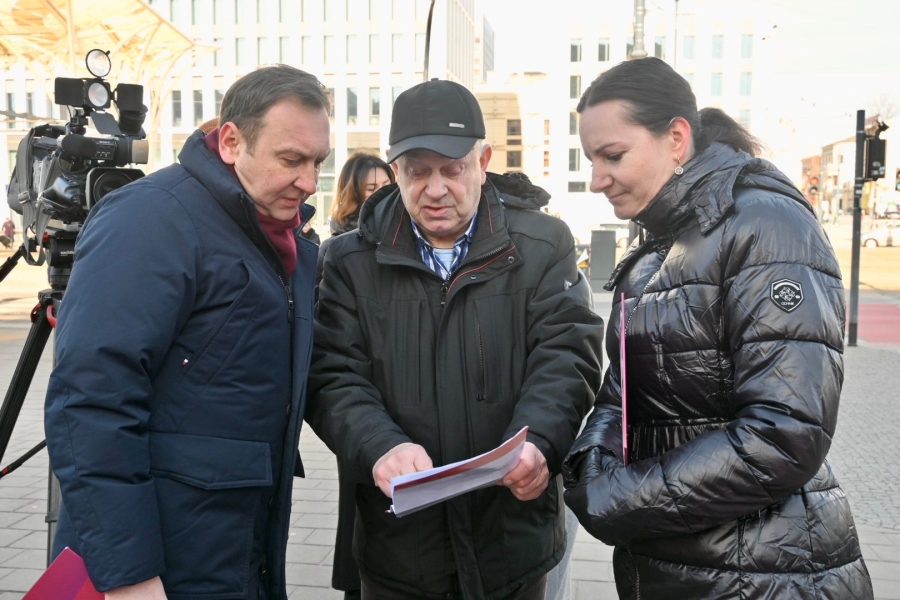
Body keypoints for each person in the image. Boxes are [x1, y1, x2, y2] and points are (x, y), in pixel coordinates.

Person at [562, 57, 873, 599]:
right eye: (591, 160)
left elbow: (786, 433)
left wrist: (620, 499)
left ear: (676, 138)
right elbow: (622, 394)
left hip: (765, 575)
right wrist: (590, 466)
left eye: (613, 156)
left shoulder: (766, 225)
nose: (596, 180)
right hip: (673, 566)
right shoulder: (656, 247)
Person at [307, 79, 603, 600]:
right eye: (417, 172)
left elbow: (566, 356)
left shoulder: (542, 245)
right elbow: (332, 374)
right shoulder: (350, 261)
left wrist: (539, 440)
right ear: (395, 170)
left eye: (453, 169)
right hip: (400, 549)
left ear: (483, 162)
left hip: (512, 539)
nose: (436, 189)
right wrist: (380, 445)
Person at [44, 65, 332, 599]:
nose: (310, 181)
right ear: (232, 142)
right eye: (292, 160)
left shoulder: (283, 239)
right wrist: (127, 572)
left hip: (233, 552)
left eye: (318, 162)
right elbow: (91, 403)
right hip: (157, 567)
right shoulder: (151, 218)